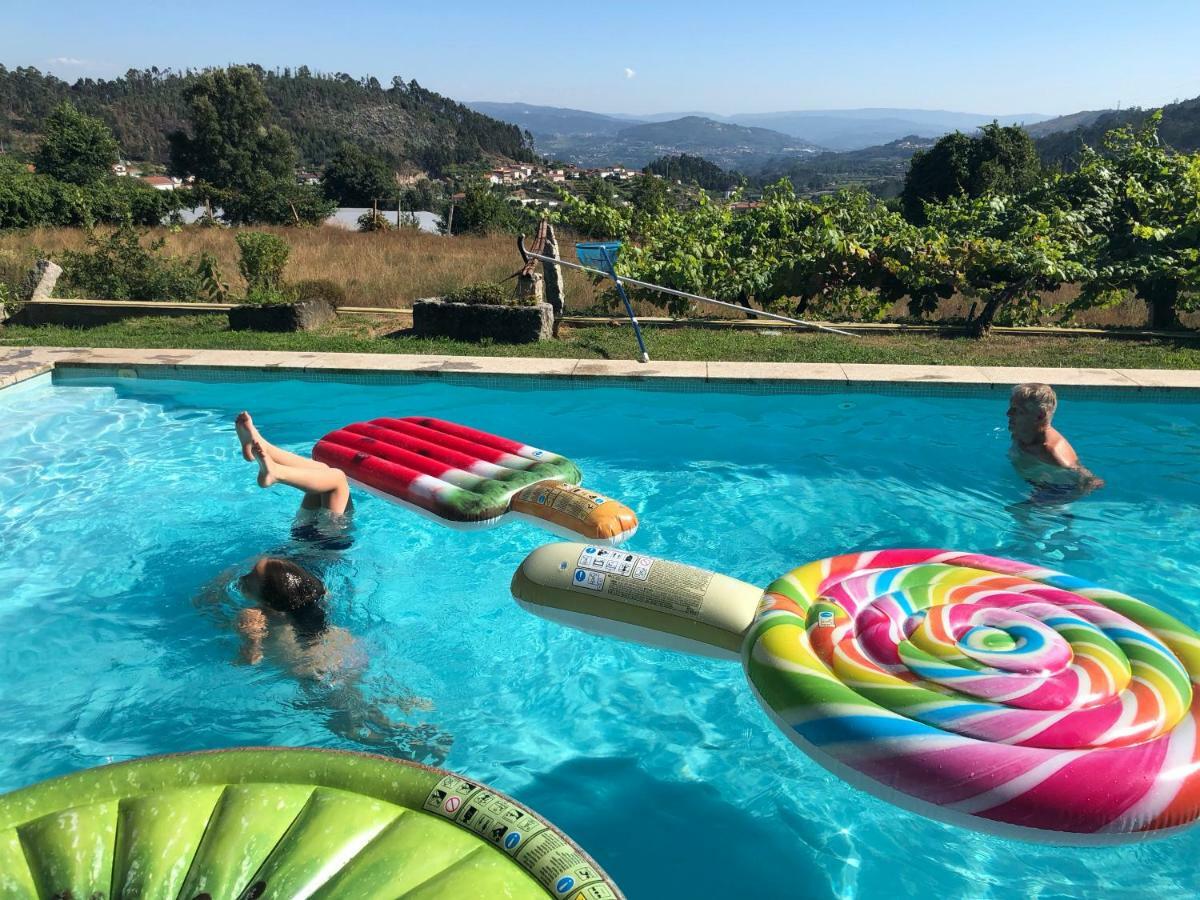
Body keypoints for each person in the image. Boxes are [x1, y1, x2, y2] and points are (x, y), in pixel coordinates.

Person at [235, 411, 351, 516]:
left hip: (319, 536)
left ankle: (275, 471)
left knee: (337, 478)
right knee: (324, 471)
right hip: (318, 535)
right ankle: (268, 454)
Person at [1007, 383, 1104, 500]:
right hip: (1033, 483)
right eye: (1011, 408)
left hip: (1054, 492)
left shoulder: (1052, 452)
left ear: (1039, 416)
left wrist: (1040, 503)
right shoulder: (1021, 432)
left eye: (1018, 411)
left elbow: (1091, 482)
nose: (1008, 414)